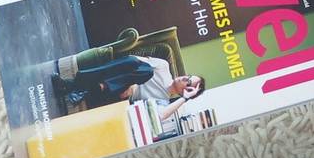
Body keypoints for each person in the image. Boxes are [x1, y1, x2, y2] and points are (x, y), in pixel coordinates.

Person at [52, 54, 204, 112]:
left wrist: (185, 99)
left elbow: (160, 116)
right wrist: (133, 83)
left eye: (189, 82)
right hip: (119, 75)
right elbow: (131, 60)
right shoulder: (163, 66)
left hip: (118, 95)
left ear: (186, 91)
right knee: (146, 70)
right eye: (189, 76)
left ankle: (71, 86)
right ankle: (78, 90)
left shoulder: (162, 102)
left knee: (132, 82)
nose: (185, 78)